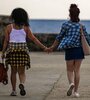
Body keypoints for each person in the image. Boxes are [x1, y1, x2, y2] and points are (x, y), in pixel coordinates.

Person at [1, 8, 47, 96]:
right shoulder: (26, 28)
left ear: (14, 16)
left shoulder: (9, 27)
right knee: (21, 72)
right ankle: (22, 83)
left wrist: (3, 52)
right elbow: (34, 39)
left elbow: (6, 41)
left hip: (12, 52)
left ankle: (14, 91)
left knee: (13, 72)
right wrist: (44, 47)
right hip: (23, 52)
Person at [47, 4, 90, 97]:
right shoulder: (81, 26)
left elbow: (59, 37)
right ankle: (76, 92)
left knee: (69, 70)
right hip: (79, 50)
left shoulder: (65, 25)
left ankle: (71, 83)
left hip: (69, 50)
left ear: (69, 14)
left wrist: (52, 47)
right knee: (77, 70)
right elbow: (87, 39)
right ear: (78, 14)